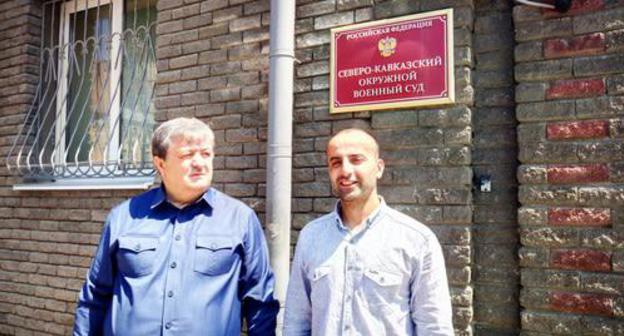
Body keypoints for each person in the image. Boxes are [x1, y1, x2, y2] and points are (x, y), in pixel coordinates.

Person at [73, 117, 279, 335]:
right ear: (160, 164)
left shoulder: (240, 219)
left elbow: (261, 304)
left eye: (206, 154)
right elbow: (95, 297)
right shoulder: (123, 218)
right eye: (187, 155)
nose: (200, 163)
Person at [283, 128, 454, 335]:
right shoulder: (311, 236)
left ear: (379, 168)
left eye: (356, 160)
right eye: (336, 162)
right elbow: (296, 322)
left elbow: (434, 327)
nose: (345, 170)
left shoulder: (416, 240)